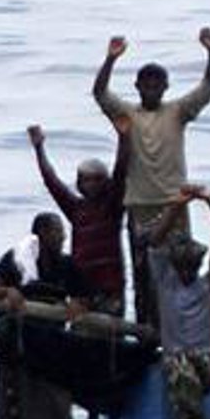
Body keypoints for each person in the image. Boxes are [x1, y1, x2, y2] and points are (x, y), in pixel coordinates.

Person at [92, 26, 210, 321]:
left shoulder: (178, 111)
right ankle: (146, 329)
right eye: (146, 83)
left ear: (165, 87)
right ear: (137, 86)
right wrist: (110, 60)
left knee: (181, 268)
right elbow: (100, 93)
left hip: (174, 205)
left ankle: (180, 324)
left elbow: (208, 86)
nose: (151, 87)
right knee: (144, 274)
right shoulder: (128, 114)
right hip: (140, 206)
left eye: (157, 83)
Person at [0, 214, 94, 419]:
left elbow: (85, 296)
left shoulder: (66, 264)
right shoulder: (17, 259)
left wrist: (78, 303)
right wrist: (8, 291)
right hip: (14, 342)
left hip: (49, 344)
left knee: (53, 401)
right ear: (42, 234)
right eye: (57, 232)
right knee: (12, 404)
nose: (63, 237)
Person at [27, 116, 131, 314]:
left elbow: (121, 172)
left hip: (109, 288)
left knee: (109, 328)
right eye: (85, 180)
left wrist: (123, 139)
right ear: (79, 183)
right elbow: (52, 182)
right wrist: (39, 149)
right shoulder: (76, 209)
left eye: (96, 180)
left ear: (105, 182)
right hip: (81, 288)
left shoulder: (112, 206)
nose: (90, 185)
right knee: (82, 328)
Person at [147, 185, 210, 419]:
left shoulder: (208, 285)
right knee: (178, 366)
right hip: (177, 358)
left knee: (183, 369)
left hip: (207, 359)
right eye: (182, 266)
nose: (186, 272)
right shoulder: (166, 281)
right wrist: (177, 206)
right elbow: (155, 242)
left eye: (191, 267)